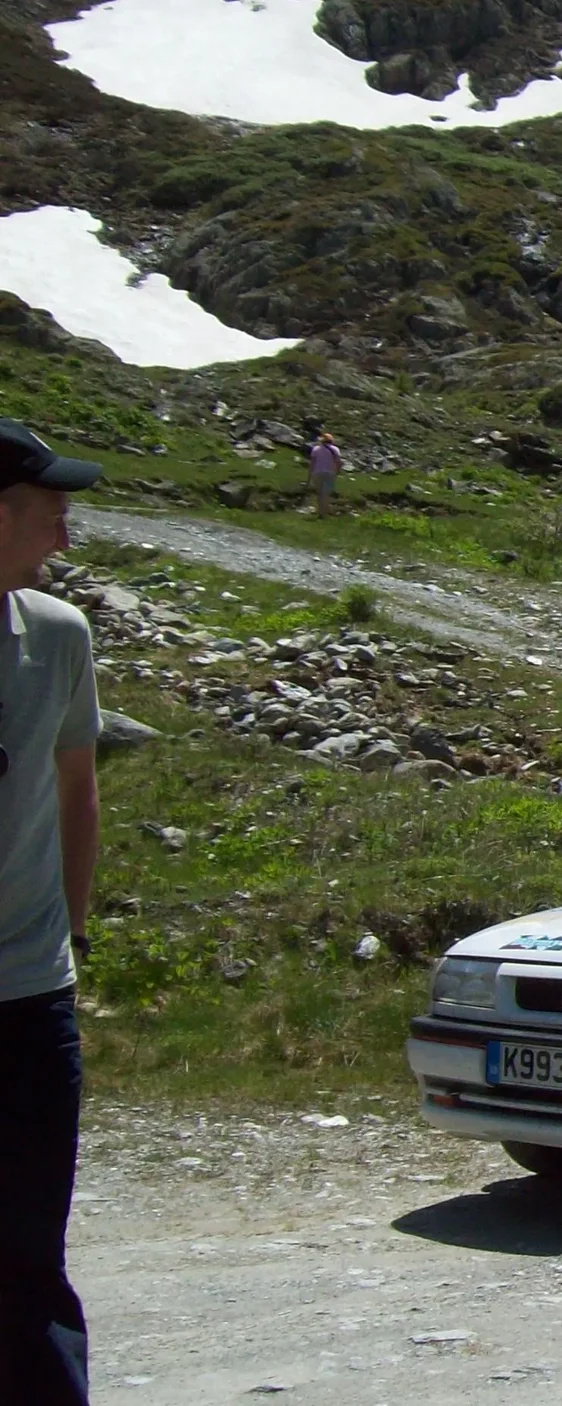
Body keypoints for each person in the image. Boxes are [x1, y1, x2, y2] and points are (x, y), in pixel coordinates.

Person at [0, 419, 103, 1405]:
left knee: (30, 1248)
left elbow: (80, 789)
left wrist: (69, 935)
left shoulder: (59, 635)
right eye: (50, 509)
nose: (65, 535)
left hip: (30, 1000)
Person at [305, 433, 341, 517]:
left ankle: (319, 511)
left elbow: (312, 463)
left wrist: (309, 476)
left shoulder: (316, 449)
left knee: (319, 493)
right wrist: (337, 472)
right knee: (326, 494)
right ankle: (324, 513)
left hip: (317, 472)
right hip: (330, 473)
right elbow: (338, 462)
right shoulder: (335, 449)